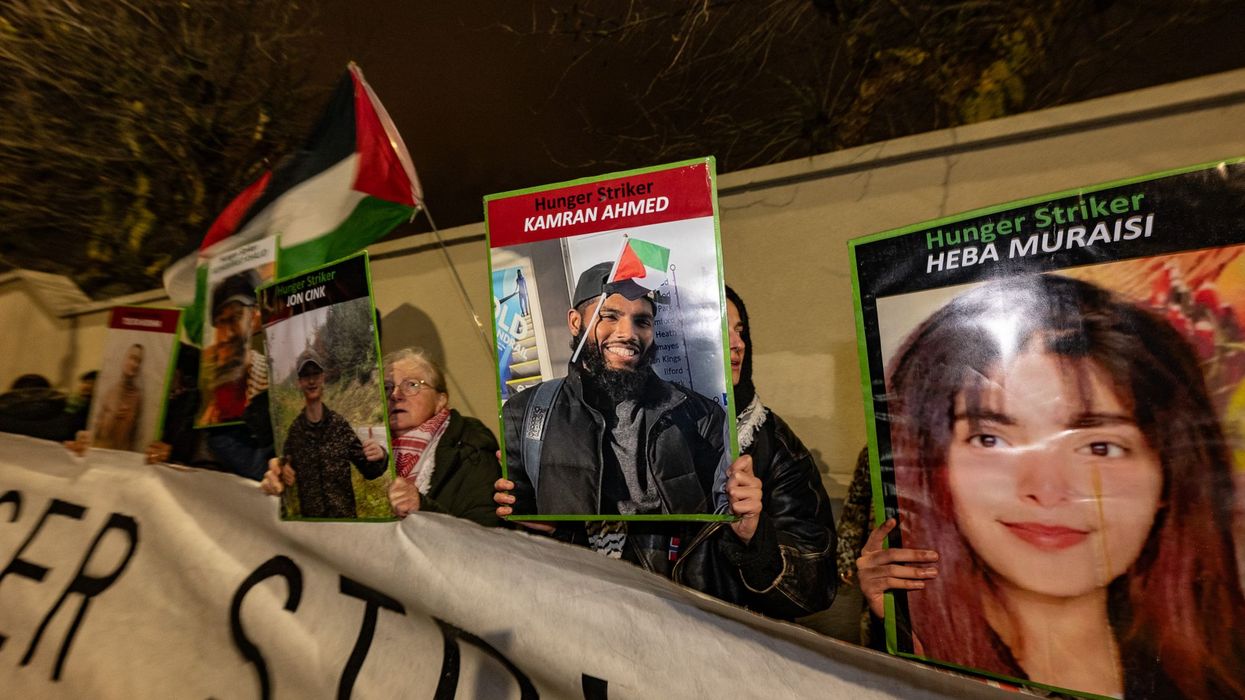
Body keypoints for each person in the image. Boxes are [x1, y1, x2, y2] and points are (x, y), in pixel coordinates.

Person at [859, 274, 1245, 699]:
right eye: (990, 439)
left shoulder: (1218, 669)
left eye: (1100, 447)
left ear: (1170, 476)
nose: (1046, 489)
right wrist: (895, 629)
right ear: (932, 466)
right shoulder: (919, 637)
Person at [497, 285, 837, 620]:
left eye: (740, 330)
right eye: (720, 329)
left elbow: (815, 587)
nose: (737, 344)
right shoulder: (535, 416)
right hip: (592, 632)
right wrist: (531, 525)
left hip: (712, 647)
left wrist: (755, 539)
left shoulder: (765, 442)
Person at [500, 261, 729, 520]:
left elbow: (722, 524)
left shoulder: (700, 416)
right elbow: (515, 534)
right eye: (609, 316)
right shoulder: (524, 416)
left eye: (642, 321)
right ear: (575, 322)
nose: (628, 333)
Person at [260, 349, 387, 518]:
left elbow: (370, 471)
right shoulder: (295, 431)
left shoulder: (339, 426)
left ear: (323, 378)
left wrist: (381, 455)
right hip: (314, 529)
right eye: (306, 375)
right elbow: (285, 469)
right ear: (299, 382)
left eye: (315, 374)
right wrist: (282, 471)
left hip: (346, 525)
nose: (311, 380)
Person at [382, 348, 502, 527]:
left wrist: (422, 508)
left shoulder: (471, 444)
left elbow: (488, 532)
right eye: (387, 387)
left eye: (412, 384)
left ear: (440, 400)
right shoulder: (368, 450)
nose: (395, 395)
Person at [199, 271, 267, 425]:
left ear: (254, 316)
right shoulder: (206, 388)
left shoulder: (273, 380)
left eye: (236, 317)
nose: (226, 335)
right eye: (221, 322)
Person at [93, 343, 144, 450]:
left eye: (139, 361)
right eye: (132, 358)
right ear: (124, 360)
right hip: (102, 453)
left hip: (122, 459)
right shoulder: (110, 392)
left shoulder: (137, 397)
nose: (135, 364)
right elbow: (97, 431)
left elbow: (134, 435)